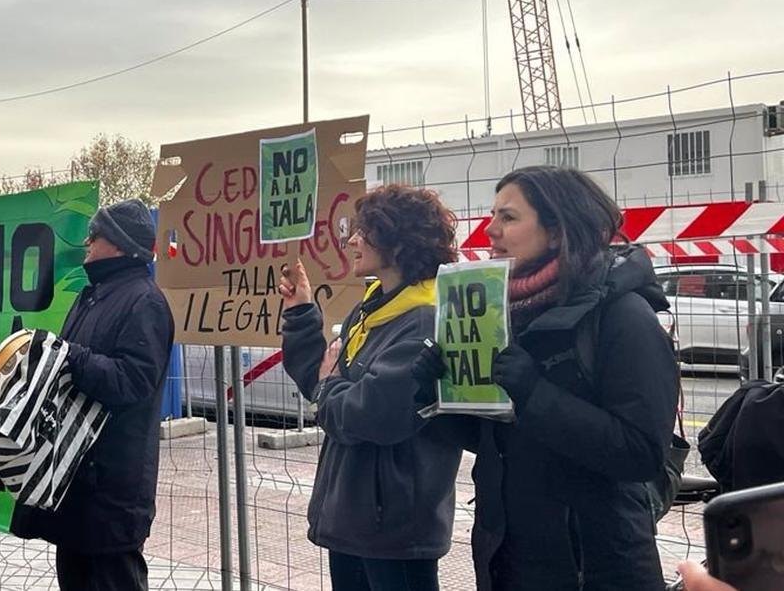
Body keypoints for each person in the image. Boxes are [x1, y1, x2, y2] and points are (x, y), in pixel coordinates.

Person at [415, 167, 678, 591]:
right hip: (509, 563)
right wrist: (436, 395)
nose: (490, 230)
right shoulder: (506, 314)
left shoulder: (623, 317)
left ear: (557, 232)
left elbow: (641, 453)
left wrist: (535, 394)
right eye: (492, 215)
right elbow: (493, 438)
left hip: (593, 570)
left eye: (509, 217)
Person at [278, 184, 464, 591]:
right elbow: (322, 381)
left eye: (366, 230)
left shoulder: (422, 320)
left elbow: (368, 415)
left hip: (393, 532)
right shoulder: (376, 309)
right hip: (359, 523)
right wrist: (301, 314)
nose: (351, 239)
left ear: (399, 242)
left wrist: (330, 388)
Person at [10, 199, 175, 591]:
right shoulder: (92, 295)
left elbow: (133, 381)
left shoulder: (145, 301)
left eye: (94, 234)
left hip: (113, 485)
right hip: (73, 477)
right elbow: (69, 369)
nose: (86, 241)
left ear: (118, 244)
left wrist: (70, 357)